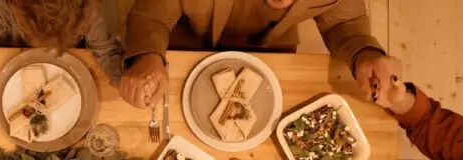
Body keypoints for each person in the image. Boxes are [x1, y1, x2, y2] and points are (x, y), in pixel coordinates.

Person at [118, 0, 400, 108]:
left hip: (273, 53)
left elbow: (342, 22)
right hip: (186, 43)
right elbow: (151, 16)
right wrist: (147, 56)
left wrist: (365, 53)